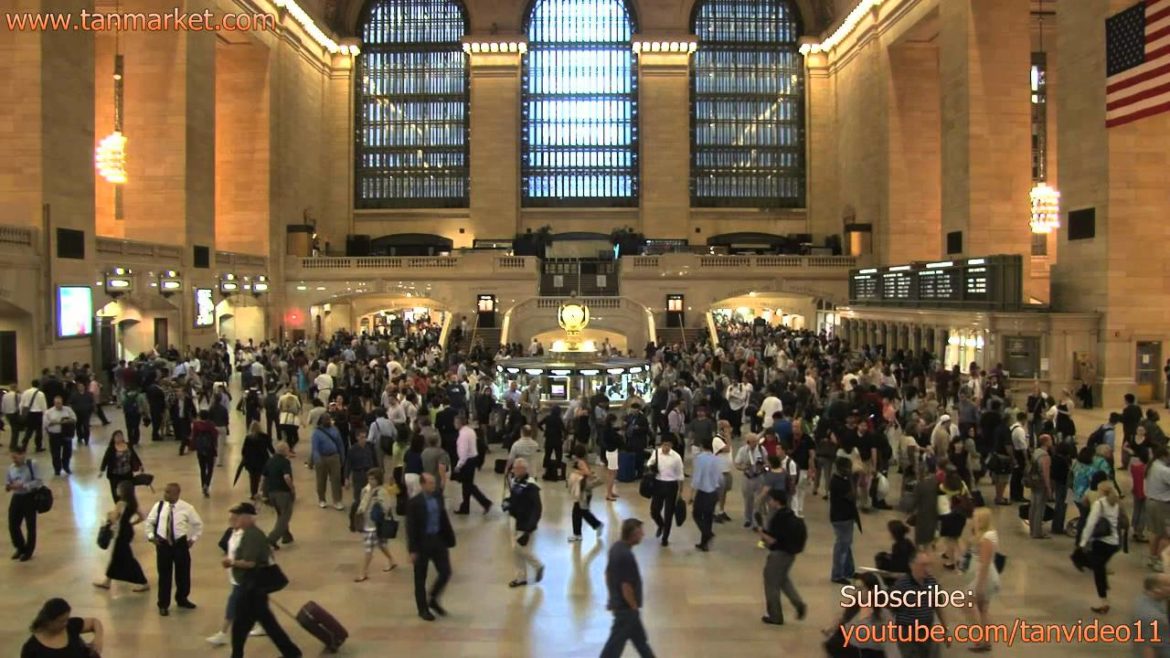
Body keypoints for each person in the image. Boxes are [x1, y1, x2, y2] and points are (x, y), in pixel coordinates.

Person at [225, 502, 302, 658]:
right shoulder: (247, 533)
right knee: (266, 622)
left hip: (252, 587)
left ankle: (291, 652)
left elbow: (250, 563)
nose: (234, 519)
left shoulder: (252, 535)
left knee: (241, 626)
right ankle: (291, 652)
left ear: (248, 518)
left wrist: (231, 563)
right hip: (253, 587)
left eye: (238, 516)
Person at [144, 482, 204, 616]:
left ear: (177, 494)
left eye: (168, 492)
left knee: (183, 573)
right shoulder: (159, 506)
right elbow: (149, 522)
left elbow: (198, 525)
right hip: (163, 543)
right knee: (164, 575)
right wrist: (151, 536)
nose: (165, 494)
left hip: (180, 544)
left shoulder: (187, 508)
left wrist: (193, 539)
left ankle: (182, 598)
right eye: (165, 491)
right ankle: (163, 604)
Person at [600, 518, 653, 658]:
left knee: (641, 643)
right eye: (640, 532)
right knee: (613, 648)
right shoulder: (626, 556)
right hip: (626, 610)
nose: (643, 535)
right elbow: (626, 586)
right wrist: (634, 608)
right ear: (633, 534)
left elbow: (607, 574)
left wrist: (611, 597)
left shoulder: (615, 548)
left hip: (621, 606)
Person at [406, 473, 456, 621]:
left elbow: (443, 517)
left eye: (434, 483)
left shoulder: (438, 497)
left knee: (445, 572)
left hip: (438, 539)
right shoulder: (414, 503)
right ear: (422, 484)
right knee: (420, 577)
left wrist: (449, 537)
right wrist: (412, 550)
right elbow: (411, 527)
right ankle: (422, 609)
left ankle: (433, 598)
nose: (434, 486)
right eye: (430, 483)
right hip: (422, 543)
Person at [757, 489, 808, 626]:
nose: (769, 502)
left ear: (776, 501)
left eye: (770, 500)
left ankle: (775, 616)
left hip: (778, 555)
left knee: (771, 583)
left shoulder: (778, 518)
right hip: (789, 554)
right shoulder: (790, 514)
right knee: (783, 580)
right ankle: (798, 603)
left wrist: (761, 533)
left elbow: (773, 540)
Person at [94, 479, 150, 593]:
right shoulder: (133, 504)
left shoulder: (120, 503)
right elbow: (142, 517)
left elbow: (113, 519)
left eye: (118, 488)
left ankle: (143, 582)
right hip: (128, 530)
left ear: (123, 491)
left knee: (127, 558)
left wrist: (109, 515)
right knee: (116, 557)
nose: (117, 490)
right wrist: (132, 523)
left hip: (121, 532)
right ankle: (107, 581)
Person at [891, 552, 951, 658]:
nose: (927, 568)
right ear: (912, 565)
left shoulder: (932, 582)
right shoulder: (901, 585)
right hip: (907, 634)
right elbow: (891, 610)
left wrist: (945, 629)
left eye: (928, 565)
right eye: (923, 565)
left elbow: (938, 607)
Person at [1079, 480, 1122, 614]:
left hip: (1101, 543)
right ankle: (1104, 592)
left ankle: (1103, 601)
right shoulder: (1116, 503)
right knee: (1099, 567)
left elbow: (1091, 524)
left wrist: (1083, 541)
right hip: (1114, 542)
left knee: (1094, 568)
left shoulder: (1099, 504)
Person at [505, 457, 545, 587]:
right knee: (515, 549)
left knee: (519, 547)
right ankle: (520, 577)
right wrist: (508, 503)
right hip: (515, 519)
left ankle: (538, 565)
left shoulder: (531, 486)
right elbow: (514, 498)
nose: (513, 470)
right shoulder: (516, 481)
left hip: (525, 522)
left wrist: (529, 528)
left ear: (522, 469)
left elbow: (537, 508)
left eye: (515, 468)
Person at [354, 468, 399, 582]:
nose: (370, 481)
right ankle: (392, 560)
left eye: (373, 479)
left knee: (368, 549)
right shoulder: (365, 490)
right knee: (381, 544)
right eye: (369, 478)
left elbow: (387, 506)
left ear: (378, 479)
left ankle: (364, 572)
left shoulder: (381, 492)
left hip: (375, 525)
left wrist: (378, 504)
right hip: (367, 523)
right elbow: (361, 503)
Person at [966, 507, 1000, 652]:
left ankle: (980, 637)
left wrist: (979, 585)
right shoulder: (986, 535)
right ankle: (985, 641)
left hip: (984, 576)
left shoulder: (986, 538)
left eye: (975, 518)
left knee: (966, 603)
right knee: (983, 609)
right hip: (984, 575)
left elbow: (985, 563)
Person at [21, 598, 104, 658]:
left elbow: (94, 622)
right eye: (61, 621)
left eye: (66, 619)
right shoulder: (32, 648)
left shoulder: (70, 626)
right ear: (48, 621)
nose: (65, 623)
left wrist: (98, 639)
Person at [6, 445, 42, 561]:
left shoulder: (32, 465)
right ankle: (20, 547)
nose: (14, 460)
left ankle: (28, 551)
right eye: (12, 458)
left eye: (16, 457)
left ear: (23, 455)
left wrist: (24, 485)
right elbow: (7, 483)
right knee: (13, 524)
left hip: (29, 497)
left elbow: (39, 481)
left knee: (30, 526)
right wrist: (10, 486)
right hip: (17, 497)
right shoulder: (11, 468)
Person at [647, 436, 684, 547]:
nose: (665, 447)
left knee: (668, 513)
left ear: (671, 445)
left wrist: (680, 492)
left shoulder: (676, 457)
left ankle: (665, 538)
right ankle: (661, 524)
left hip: (671, 486)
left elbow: (680, 475)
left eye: (668, 445)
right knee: (654, 510)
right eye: (664, 445)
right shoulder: (656, 453)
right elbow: (649, 463)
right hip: (658, 484)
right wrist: (651, 467)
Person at [260, 441, 296, 550]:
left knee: (281, 515)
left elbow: (263, 477)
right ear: (285, 450)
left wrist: (262, 492)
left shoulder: (270, 461)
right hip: (283, 492)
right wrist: (292, 489)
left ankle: (286, 536)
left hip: (271, 493)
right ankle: (271, 539)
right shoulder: (285, 462)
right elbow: (286, 477)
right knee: (285, 517)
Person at [830, 456, 860, 584]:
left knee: (846, 545)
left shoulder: (842, 479)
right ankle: (837, 574)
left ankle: (849, 570)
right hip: (841, 517)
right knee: (842, 546)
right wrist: (853, 480)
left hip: (845, 516)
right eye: (848, 468)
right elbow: (853, 496)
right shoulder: (838, 482)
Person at [453, 414, 492, 515]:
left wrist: (458, 465)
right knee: (467, 485)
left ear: (459, 423)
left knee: (468, 486)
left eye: (455, 422)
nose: (454, 424)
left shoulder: (463, 435)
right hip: (473, 459)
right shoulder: (470, 431)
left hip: (467, 462)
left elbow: (463, 452)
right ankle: (465, 507)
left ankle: (485, 503)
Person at [568, 443, 604, 541]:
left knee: (581, 512)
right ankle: (578, 534)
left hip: (583, 492)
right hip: (584, 491)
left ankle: (597, 525)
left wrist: (577, 472)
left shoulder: (580, 462)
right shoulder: (583, 461)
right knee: (579, 512)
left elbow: (587, 473)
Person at [311, 413, 345, 510]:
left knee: (336, 480)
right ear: (321, 421)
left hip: (334, 457)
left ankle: (337, 500)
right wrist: (317, 460)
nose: (328, 421)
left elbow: (340, 444)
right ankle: (322, 499)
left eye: (328, 419)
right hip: (322, 458)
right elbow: (315, 448)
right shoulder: (316, 433)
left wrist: (342, 457)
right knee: (321, 480)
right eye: (325, 419)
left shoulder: (335, 429)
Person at [99, 429, 143, 502]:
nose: (119, 438)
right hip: (115, 475)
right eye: (117, 436)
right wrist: (102, 470)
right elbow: (105, 459)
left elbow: (134, 455)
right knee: (116, 492)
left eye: (120, 436)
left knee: (128, 490)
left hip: (127, 473)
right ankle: (118, 505)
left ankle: (128, 503)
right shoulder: (111, 449)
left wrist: (140, 465)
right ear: (113, 438)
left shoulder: (128, 445)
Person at [1132, 574, 1170, 658]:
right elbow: (1147, 647)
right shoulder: (1152, 617)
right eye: (1168, 585)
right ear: (1157, 589)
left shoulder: (1144, 599)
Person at [735, 433, 768, 528]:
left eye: (755, 442)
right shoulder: (742, 450)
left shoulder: (761, 450)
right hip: (747, 477)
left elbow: (767, 463)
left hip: (759, 477)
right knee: (748, 500)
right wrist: (743, 467)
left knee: (758, 500)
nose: (753, 444)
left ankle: (756, 521)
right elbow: (737, 464)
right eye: (751, 442)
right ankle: (748, 519)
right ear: (747, 442)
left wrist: (763, 467)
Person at [42, 395, 76, 476]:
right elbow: (46, 423)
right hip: (54, 435)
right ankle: (57, 469)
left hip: (66, 434)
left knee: (67, 452)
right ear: (54, 403)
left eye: (59, 403)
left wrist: (61, 422)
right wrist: (59, 422)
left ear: (62, 402)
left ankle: (66, 466)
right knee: (55, 453)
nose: (58, 405)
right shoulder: (49, 412)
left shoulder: (68, 410)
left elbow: (74, 419)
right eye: (56, 403)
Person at [240, 421, 274, 499]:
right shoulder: (265, 437)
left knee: (253, 479)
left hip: (251, 462)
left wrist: (245, 458)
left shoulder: (248, 438)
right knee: (265, 477)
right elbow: (271, 448)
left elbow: (243, 451)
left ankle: (253, 494)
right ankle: (265, 494)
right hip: (263, 460)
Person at [1029, 434, 1054, 539]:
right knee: (1040, 508)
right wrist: (1049, 488)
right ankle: (1037, 532)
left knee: (1033, 506)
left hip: (1033, 481)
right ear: (1046, 442)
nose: (1052, 442)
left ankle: (1032, 529)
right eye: (1050, 440)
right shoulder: (1045, 456)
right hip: (1041, 483)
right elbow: (1046, 474)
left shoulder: (1036, 452)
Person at [192, 410, 218, 497]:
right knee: (210, 469)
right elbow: (215, 435)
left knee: (202, 469)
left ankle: (203, 485)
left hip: (200, 449)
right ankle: (207, 484)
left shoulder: (196, 425)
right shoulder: (211, 424)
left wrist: (193, 446)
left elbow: (194, 436)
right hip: (210, 449)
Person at [19, 380, 47, 452]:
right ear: (39, 385)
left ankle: (24, 445)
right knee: (39, 431)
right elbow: (44, 406)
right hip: (38, 414)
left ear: (31, 384)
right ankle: (38, 447)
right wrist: (45, 414)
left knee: (29, 431)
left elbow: (21, 404)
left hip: (29, 414)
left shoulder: (25, 392)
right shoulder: (41, 394)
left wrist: (21, 413)